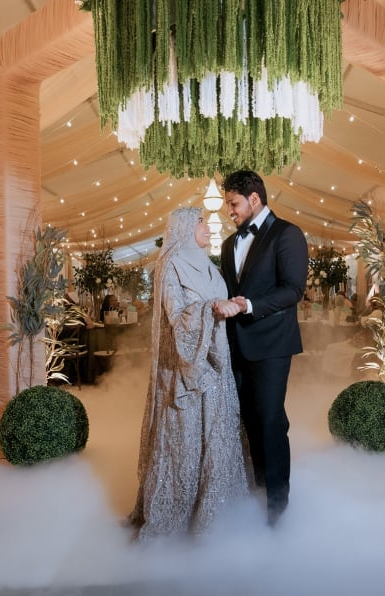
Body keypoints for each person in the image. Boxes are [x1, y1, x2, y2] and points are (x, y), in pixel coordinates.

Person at [127, 208, 248, 540]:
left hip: (217, 367)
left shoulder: (209, 266)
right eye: (201, 222)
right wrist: (211, 308)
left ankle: (215, 515)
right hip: (186, 371)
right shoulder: (171, 265)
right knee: (186, 442)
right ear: (183, 227)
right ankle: (179, 516)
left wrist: (230, 303)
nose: (208, 227)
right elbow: (176, 316)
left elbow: (218, 303)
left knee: (217, 436)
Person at [216, 169, 309, 527]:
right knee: (250, 421)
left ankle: (277, 507)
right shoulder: (228, 244)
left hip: (272, 344)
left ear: (254, 199)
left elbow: (293, 290)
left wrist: (249, 305)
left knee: (270, 421)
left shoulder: (287, 234)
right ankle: (259, 490)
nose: (229, 211)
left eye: (233, 204)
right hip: (236, 345)